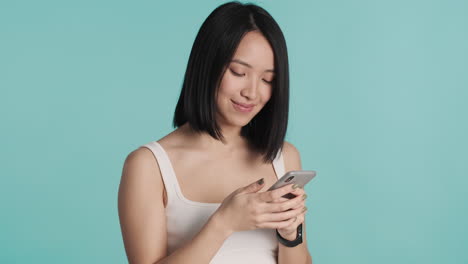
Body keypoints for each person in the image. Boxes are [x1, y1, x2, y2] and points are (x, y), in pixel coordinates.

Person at [118, 2, 312, 263]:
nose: (252, 93)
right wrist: (223, 224)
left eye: (268, 80)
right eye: (238, 72)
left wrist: (290, 234)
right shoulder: (148, 166)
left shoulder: (283, 157)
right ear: (207, 66)